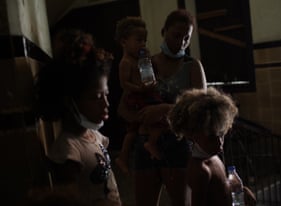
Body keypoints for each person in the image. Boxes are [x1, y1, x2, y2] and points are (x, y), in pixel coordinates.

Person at [35, 30, 122, 206]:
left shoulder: (94, 136)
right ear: (70, 102)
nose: (106, 104)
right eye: (96, 97)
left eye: (106, 95)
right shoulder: (68, 149)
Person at [131, 9, 207, 206]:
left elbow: (201, 108)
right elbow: (134, 99)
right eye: (176, 35)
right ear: (163, 31)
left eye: (186, 38)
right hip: (146, 140)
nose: (181, 42)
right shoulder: (147, 64)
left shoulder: (192, 66)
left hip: (179, 143)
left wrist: (165, 108)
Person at [168, 87, 257, 206]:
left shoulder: (213, 156)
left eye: (221, 134)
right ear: (192, 134)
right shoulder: (200, 170)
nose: (219, 142)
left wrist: (242, 193)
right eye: (211, 137)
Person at [114, 16, 165, 175]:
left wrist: (148, 61)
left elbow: (150, 74)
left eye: (144, 40)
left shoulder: (141, 58)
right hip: (135, 97)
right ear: (124, 42)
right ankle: (124, 156)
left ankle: (148, 144)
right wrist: (139, 89)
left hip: (146, 93)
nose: (143, 44)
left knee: (142, 127)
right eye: (138, 40)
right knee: (135, 129)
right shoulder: (126, 62)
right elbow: (124, 84)